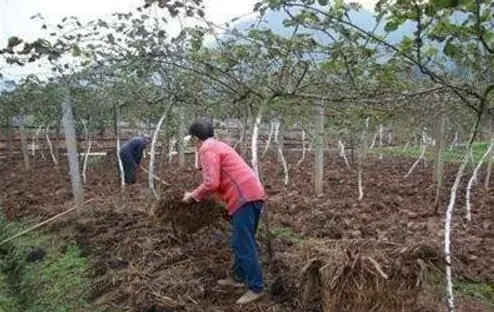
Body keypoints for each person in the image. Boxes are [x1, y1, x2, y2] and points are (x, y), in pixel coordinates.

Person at [182, 119, 265, 305]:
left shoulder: (207, 149)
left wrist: (193, 196)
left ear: (196, 138)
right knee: (241, 240)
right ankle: (238, 277)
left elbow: (212, 183)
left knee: (243, 243)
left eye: (192, 140)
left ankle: (256, 287)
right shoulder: (217, 145)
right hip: (251, 193)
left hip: (244, 196)